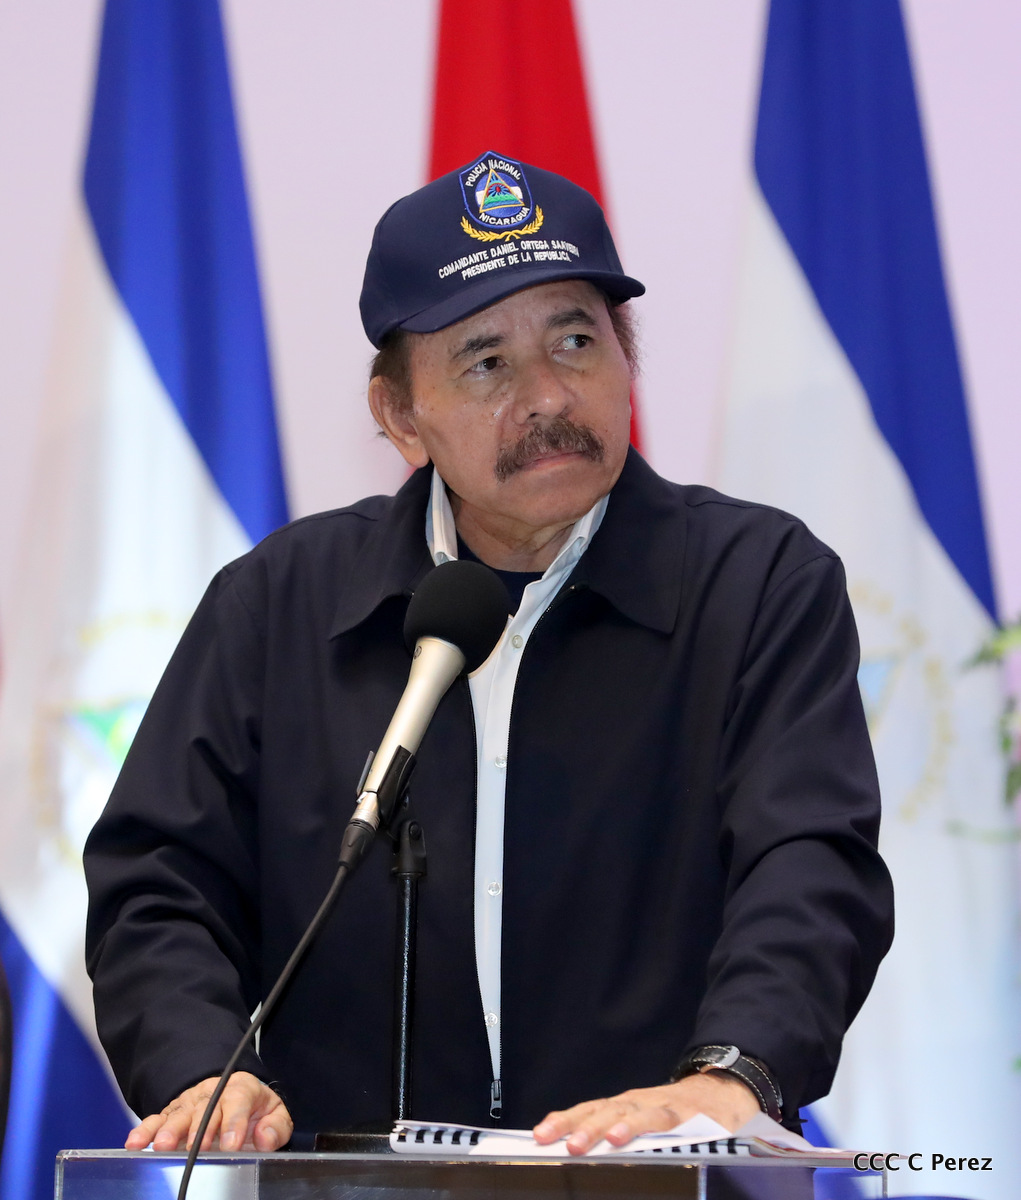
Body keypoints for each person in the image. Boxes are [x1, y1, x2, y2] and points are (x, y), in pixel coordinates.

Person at [84, 151, 894, 1156]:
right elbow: (158, 881)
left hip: (660, 1172)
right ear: (399, 416)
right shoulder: (281, 605)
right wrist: (205, 1067)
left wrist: (732, 1075)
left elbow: (809, 862)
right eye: (487, 363)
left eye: (575, 341)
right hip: (345, 1185)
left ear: (628, 360)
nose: (547, 395)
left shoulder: (755, 582)